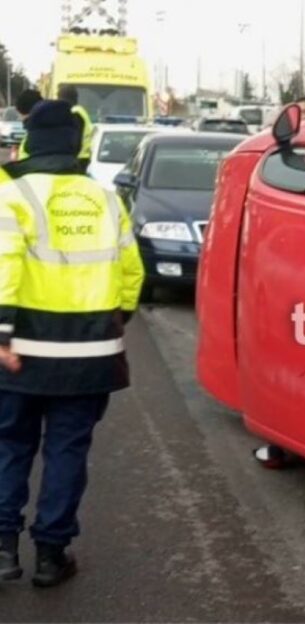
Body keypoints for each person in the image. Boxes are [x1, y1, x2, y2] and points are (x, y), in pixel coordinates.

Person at [0, 100, 144, 588]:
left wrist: (1, 332)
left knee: (10, 445)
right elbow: (131, 272)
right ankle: (50, 554)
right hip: (90, 353)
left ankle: (3, 549)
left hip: (18, 350)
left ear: (30, 143)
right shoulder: (105, 199)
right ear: (75, 144)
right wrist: (114, 316)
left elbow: (3, 267)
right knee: (67, 450)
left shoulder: (12, 195)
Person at [57, 85, 93, 173]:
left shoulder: (75, 113)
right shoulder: (79, 111)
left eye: (58, 97)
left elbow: (75, 140)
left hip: (77, 159)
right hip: (82, 158)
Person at [9, 89, 43, 162]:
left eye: (19, 114)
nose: (19, 118)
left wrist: (14, 161)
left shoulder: (34, 135)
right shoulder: (64, 129)